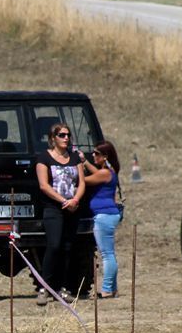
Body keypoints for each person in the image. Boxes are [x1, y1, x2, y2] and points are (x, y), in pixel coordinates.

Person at [35, 123, 86, 305]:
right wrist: (62, 201)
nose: (66, 138)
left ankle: (64, 288)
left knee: (67, 248)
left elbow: (81, 183)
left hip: (72, 208)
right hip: (54, 208)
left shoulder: (74, 158)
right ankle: (44, 287)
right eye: (62, 135)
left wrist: (75, 200)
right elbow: (44, 185)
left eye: (68, 135)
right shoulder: (44, 158)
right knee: (54, 245)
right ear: (53, 138)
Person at [81, 140, 122, 298]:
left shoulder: (105, 173)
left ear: (105, 156)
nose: (93, 155)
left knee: (107, 254)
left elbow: (84, 180)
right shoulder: (108, 171)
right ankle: (112, 289)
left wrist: (78, 167)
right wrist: (85, 163)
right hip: (108, 215)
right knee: (109, 253)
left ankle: (106, 289)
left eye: (96, 153)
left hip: (104, 216)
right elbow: (95, 173)